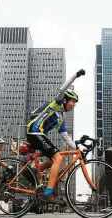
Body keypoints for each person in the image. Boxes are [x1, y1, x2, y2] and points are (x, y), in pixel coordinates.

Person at [26, 69, 85, 204]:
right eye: (73, 101)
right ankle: (48, 192)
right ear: (65, 100)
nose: (74, 105)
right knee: (58, 157)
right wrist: (76, 75)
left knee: (59, 157)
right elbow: (62, 89)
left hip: (39, 135)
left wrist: (78, 150)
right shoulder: (56, 104)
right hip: (35, 132)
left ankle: (36, 169)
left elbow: (66, 137)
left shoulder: (60, 118)